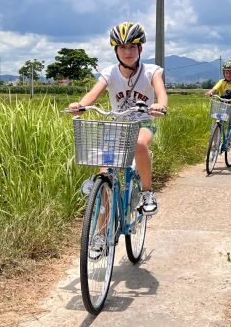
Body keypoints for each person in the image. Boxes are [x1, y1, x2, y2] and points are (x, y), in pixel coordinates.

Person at [69, 22, 168, 215]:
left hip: (143, 123)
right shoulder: (110, 73)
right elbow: (93, 93)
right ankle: (99, 237)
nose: (127, 52)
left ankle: (147, 192)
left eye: (132, 46)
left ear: (140, 48)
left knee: (139, 144)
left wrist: (160, 105)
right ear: (116, 50)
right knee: (104, 177)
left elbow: (161, 93)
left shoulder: (151, 71)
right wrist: (80, 105)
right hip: (117, 126)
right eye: (122, 47)